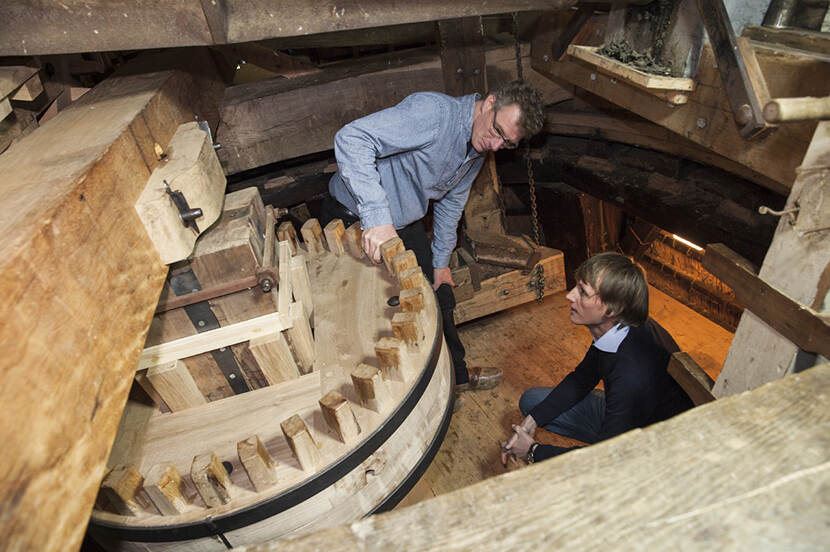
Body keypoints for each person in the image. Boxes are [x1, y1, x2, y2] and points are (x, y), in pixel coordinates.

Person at [323, 80, 545, 393]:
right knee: (367, 313)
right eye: (497, 131)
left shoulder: (478, 142)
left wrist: (441, 261)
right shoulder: (434, 114)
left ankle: (455, 377)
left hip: (401, 222)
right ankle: (392, 396)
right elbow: (352, 138)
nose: (496, 146)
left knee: (439, 294)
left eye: (507, 143)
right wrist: (377, 216)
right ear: (490, 101)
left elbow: (452, 202)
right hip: (354, 216)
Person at [500, 252, 693, 465]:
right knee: (533, 403)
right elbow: (583, 377)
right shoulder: (617, 326)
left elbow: (605, 459)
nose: (570, 296)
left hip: (652, 441)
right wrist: (531, 422)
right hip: (631, 412)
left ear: (613, 308)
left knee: (607, 464)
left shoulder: (631, 375)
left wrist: (532, 450)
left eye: (583, 292)